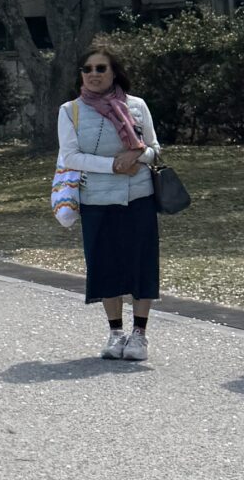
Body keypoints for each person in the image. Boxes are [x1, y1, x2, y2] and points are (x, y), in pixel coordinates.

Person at [55, 45, 163, 363]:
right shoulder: (70, 111)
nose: (93, 75)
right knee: (105, 266)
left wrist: (138, 155)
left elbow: (155, 149)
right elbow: (70, 157)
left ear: (114, 72)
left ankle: (139, 334)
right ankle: (116, 332)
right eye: (87, 69)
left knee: (141, 265)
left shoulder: (137, 106)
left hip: (138, 196)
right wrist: (113, 165)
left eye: (101, 68)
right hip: (96, 199)